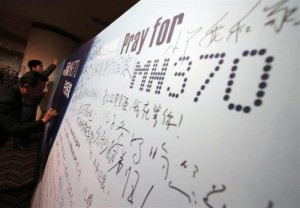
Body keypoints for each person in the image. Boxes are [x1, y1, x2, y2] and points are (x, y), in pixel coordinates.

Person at [0, 71, 58, 148]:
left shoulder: (11, 90)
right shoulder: (6, 100)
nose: (41, 93)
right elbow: (14, 129)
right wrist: (44, 120)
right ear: (27, 87)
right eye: (40, 90)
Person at [13, 59, 58, 149]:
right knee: (24, 125)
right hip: (27, 106)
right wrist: (53, 64)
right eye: (40, 66)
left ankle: (25, 140)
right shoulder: (32, 78)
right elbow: (45, 74)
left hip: (31, 106)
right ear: (34, 68)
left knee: (30, 124)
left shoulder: (34, 78)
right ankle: (18, 144)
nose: (42, 68)